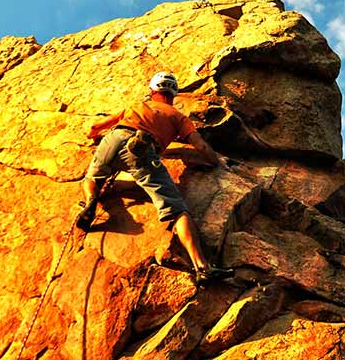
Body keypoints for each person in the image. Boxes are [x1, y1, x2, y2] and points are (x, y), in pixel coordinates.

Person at [78, 71, 233, 284]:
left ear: (152, 91)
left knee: (92, 177)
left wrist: (93, 137)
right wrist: (213, 160)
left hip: (115, 138)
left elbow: (95, 127)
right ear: (174, 94)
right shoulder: (178, 117)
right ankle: (202, 267)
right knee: (178, 209)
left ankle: (90, 201)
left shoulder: (136, 106)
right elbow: (200, 145)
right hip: (142, 151)